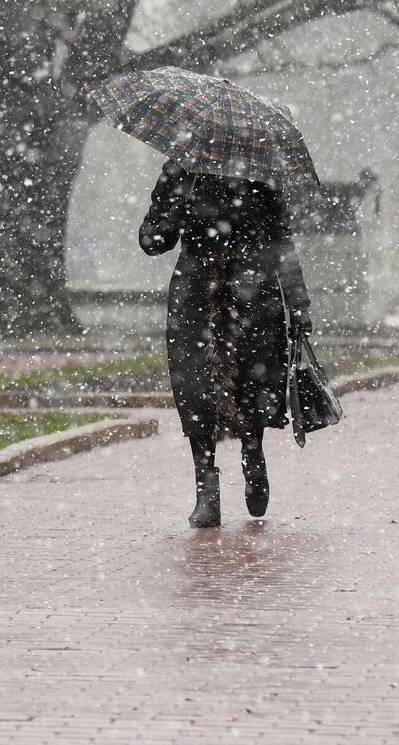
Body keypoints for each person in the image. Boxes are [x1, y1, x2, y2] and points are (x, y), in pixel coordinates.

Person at [138, 159, 312, 527]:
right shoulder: (181, 170)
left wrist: (298, 306)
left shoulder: (261, 175)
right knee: (196, 389)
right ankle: (206, 487)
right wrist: (168, 219)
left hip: (253, 295)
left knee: (253, 381)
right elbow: (153, 240)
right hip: (195, 296)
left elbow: (281, 243)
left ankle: (253, 454)